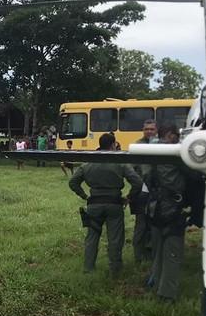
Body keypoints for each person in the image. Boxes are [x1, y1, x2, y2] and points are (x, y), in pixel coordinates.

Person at [68, 132, 143, 277]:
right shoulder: (119, 162)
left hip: (94, 204)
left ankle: (88, 268)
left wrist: (84, 196)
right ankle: (115, 269)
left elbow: (73, 182)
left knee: (92, 237)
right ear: (113, 144)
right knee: (115, 238)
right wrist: (129, 197)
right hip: (114, 203)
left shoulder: (88, 163)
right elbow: (137, 182)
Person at [145, 123, 188, 301]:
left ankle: (155, 282)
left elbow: (144, 177)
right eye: (176, 135)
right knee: (172, 251)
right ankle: (167, 294)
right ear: (170, 135)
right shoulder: (175, 154)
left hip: (153, 206)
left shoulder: (148, 152)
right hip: (171, 207)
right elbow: (192, 174)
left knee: (159, 249)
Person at [131, 119, 158, 264]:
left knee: (154, 223)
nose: (149, 131)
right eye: (146, 129)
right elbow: (133, 168)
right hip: (142, 191)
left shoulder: (162, 145)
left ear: (156, 130)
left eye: (151, 129)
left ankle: (152, 252)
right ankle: (138, 254)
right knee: (141, 224)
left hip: (158, 192)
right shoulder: (137, 146)